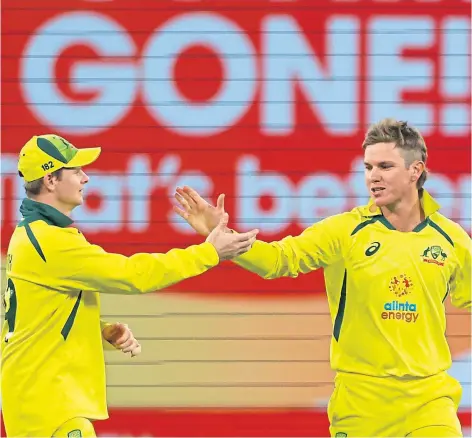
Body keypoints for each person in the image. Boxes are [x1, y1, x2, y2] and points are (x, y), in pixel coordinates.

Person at [173, 118, 471, 437]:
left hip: (429, 400)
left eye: (385, 166)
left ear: (415, 170)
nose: (374, 177)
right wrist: (225, 237)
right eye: (369, 167)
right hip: (361, 404)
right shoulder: (344, 231)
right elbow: (280, 259)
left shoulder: (452, 239)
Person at [1, 134, 259, 437]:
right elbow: (133, 275)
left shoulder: (31, 234)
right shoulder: (50, 241)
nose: (86, 177)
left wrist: (101, 330)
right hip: (50, 403)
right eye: (76, 170)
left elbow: (37, 318)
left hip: (37, 399)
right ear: (51, 180)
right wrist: (209, 252)